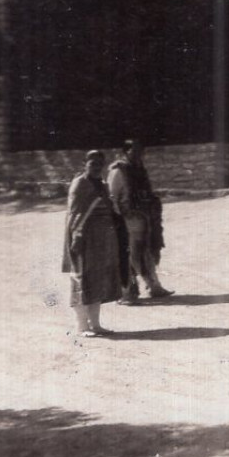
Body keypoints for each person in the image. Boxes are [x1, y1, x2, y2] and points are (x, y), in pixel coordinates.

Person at [63, 150, 123, 336]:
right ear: (85, 164)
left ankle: (95, 325)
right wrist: (76, 239)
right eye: (92, 164)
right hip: (82, 239)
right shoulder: (79, 184)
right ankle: (82, 326)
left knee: (98, 280)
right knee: (81, 279)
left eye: (99, 164)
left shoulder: (103, 185)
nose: (96, 167)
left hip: (101, 240)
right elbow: (74, 214)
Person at [109, 139, 173, 302]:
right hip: (128, 218)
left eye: (140, 150)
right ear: (125, 151)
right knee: (130, 254)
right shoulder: (118, 171)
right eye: (134, 150)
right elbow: (112, 196)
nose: (138, 154)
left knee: (146, 251)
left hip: (143, 217)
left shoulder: (139, 168)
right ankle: (128, 291)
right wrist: (118, 219)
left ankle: (154, 286)